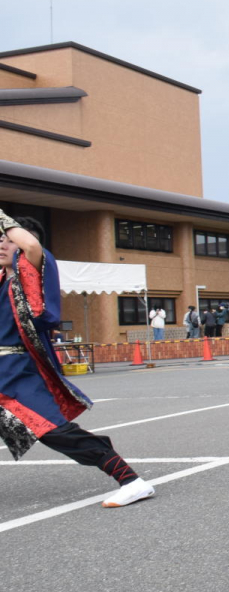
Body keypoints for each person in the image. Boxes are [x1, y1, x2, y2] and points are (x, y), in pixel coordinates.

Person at [0, 213, 154, 507]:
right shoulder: (0, 281)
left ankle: (131, 480)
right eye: (0, 238)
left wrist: (2, 218)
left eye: (9, 239)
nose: (3, 244)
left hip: (16, 372)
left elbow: (31, 246)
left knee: (53, 431)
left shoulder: (28, 272)